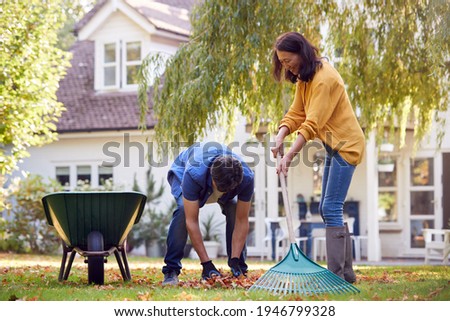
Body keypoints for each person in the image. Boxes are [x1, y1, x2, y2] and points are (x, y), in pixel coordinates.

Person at [270, 32, 365, 283]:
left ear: (302, 53)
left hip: (348, 145)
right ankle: (346, 273)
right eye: (282, 62)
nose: (286, 67)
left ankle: (335, 276)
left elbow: (312, 124)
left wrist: (289, 155)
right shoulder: (305, 78)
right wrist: (281, 135)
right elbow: (296, 113)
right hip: (334, 145)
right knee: (327, 209)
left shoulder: (324, 79)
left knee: (330, 207)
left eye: (288, 61)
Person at [162, 141, 254, 285]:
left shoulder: (246, 177)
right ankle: (171, 270)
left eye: (228, 190)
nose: (224, 192)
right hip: (183, 170)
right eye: (222, 188)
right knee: (182, 211)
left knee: (234, 208)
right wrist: (206, 264)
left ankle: (238, 267)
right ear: (212, 177)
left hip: (221, 177)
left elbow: (242, 220)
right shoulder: (193, 174)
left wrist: (235, 259)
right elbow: (191, 222)